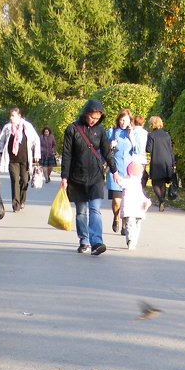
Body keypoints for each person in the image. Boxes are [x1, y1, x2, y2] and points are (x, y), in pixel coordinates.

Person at [61, 99, 112, 255]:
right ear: (85, 114)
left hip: (96, 176)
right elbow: (67, 154)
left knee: (95, 209)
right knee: (81, 212)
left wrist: (114, 171)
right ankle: (84, 241)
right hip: (77, 177)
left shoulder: (100, 130)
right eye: (92, 117)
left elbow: (106, 151)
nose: (94, 121)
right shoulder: (72, 129)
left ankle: (97, 242)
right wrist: (64, 176)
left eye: (97, 118)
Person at [0, 108, 41, 212]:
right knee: (15, 180)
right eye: (10, 116)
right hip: (12, 160)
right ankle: (15, 204)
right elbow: (1, 140)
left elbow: (36, 139)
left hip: (25, 159)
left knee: (25, 180)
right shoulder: (7, 128)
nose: (11, 118)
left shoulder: (27, 126)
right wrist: (1, 151)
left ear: (19, 116)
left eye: (13, 116)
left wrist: (37, 154)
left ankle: (22, 200)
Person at [105, 109, 137, 234]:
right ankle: (116, 217)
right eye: (121, 120)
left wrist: (131, 137)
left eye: (126, 120)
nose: (123, 123)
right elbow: (104, 150)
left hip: (129, 172)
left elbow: (138, 151)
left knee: (126, 201)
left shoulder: (132, 133)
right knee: (117, 201)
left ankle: (125, 224)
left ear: (130, 121)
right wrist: (110, 145)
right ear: (118, 120)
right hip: (115, 170)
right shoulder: (111, 132)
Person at [145, 116, 176, 211]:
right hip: (167, 161)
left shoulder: (151, 135)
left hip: (157, 160)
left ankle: (161, 199)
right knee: (162, 183)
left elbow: (148, 149)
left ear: (152, 124)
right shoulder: (167, 135)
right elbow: (171, 150)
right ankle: (162, 200)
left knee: (155, 182)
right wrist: (173, 162)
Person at [119, 159, 151, 250]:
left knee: (130, 225)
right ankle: (133, 240)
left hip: (129, 209)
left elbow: (120, 182)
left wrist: (116, 176)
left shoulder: (128, 181)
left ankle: (130, 239)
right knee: (137, 226)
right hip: (138, 209)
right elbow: (141, 195)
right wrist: (146, 201)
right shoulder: (135, 183)